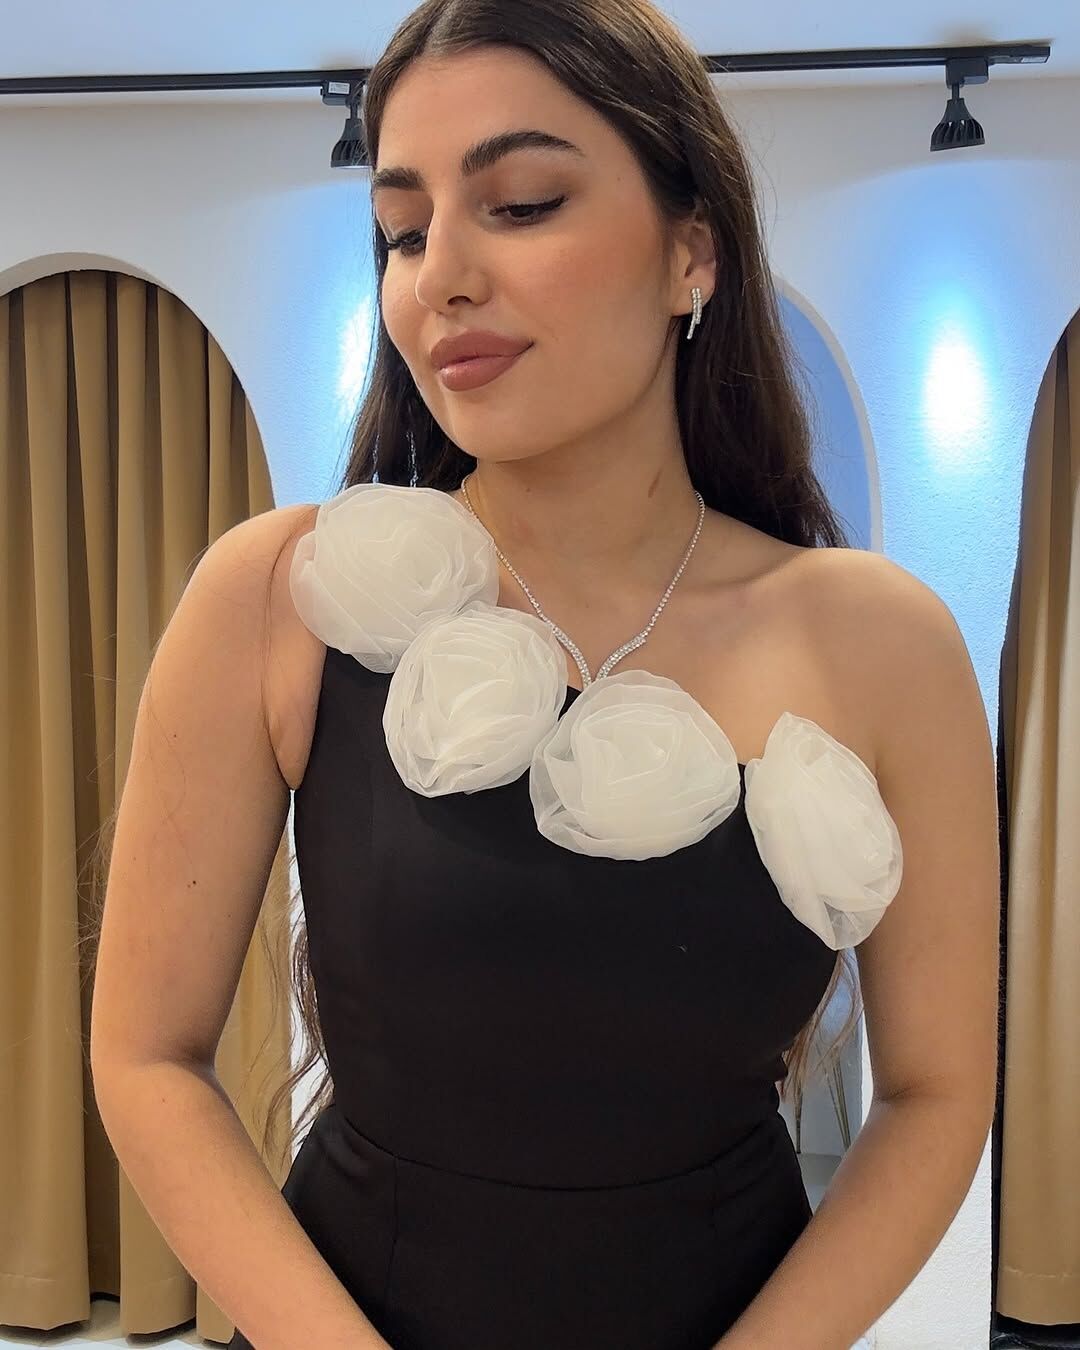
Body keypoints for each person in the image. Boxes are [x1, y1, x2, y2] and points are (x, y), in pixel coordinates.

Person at [91, 2, 1000, 1348]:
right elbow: (146, 1058)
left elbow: (935, 1092)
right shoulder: (277, 599)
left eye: (519, 204)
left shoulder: (880, 641)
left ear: (693, 253)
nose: (440, 277)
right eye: (404, 231)